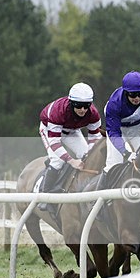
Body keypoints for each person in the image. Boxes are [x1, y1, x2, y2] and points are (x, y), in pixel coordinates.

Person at [38, 82, 102, 214]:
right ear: (71, 102)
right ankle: (45, 196)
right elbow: (55, 142)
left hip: (72, 131)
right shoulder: (58, 111)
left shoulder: (94, 114)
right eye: (79, 105)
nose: (83, 110)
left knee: (86, 156)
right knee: (58, 161)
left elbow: (95, 139)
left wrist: (88, 155)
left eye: (86, 106)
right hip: (50, 130)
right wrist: (71, 161)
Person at [100, 70, 140, 187]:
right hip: (118, 130)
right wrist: (125, 152)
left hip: (138, 127)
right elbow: (113, 132)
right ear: (126, 93)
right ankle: (99, 199)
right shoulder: (114, 103)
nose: (137, 98)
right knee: (113, 165)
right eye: (133, 95)